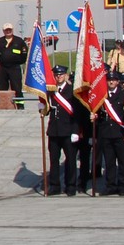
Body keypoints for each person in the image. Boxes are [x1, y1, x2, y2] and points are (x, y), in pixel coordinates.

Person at [46, 65, 83, 196]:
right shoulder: (50, 91)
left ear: (65, 75)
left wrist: (75, 131)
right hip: (54, 130)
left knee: (71, 160)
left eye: (61, 74)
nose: (58, 77)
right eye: (56, 75)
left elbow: (77, 113)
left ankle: (71, 186)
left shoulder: (72, 92)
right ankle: (54, 186)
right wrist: (42, 107)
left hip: (68, 130)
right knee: (53, 160)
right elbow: (48, 109)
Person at [96, 72, 124, 196]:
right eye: (109, 80)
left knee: (123, 162)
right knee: (109, 162)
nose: (111, 82)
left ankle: (123, 186)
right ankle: (110, 186)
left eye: (114, 80)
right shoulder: (102, 95)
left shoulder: (123, 94)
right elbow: (99, 114)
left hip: (120, 133)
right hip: (106, 133)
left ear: (118, 82)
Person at [0, 24, 27, 107]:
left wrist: (17, 61)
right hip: (2, 68)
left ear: (12, 30)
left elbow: (24, 55)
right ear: (3, 31)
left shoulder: (19, 41)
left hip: (15, 68)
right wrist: (2, 61)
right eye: (6, 30)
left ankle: (20, 105)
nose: (8, 31)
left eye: (9, 30)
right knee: (2, 87)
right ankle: (2, 105)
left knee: (17, 87)